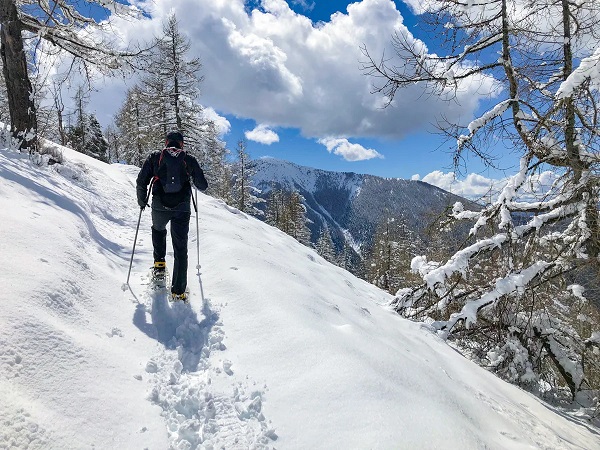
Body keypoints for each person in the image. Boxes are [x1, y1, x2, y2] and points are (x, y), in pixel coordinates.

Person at [136, 130, 208, 301]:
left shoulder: (155, 157)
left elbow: (141, 180)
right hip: (182, 209)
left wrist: (141, 201)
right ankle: (178, 291)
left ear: (166, 142)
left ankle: (159, 268)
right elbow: (202, 185)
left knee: (158, 231)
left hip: (159, 206)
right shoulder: (188, 159)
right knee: (180, 248)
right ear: (181, 144)